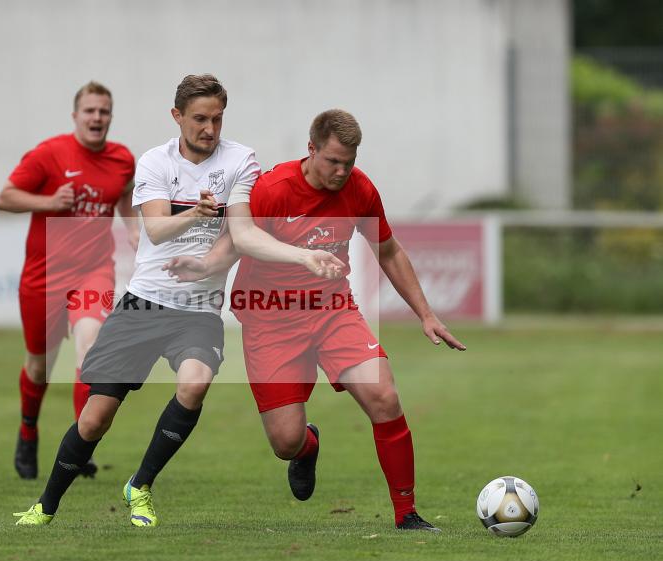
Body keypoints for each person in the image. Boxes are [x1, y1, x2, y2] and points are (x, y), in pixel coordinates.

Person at [13, 74, 341, 527]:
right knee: (94, 420)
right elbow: (155, 229)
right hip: (145, 303)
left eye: (218, 119)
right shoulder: (154, 162)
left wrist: (304, 256)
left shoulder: (240, 160)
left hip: (198, 310)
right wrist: (196, 213)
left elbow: (243, 234)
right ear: (178, 117)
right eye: (200, 119)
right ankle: (45, 507)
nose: (210, 128)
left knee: (195, 382)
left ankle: (140, 485)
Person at [166, 109, 466, 531]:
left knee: (384, 397)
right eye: (333, 161)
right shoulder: (271, 188)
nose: (342, 171)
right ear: (311, 150)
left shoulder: (360, 190)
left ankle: (407, 514)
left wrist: (427, 314)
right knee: (285, 442)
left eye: (350, 161)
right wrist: (201, 268)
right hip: (269, 320)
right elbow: (234, 240)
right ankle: (308, 447)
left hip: (331, 311)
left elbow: (390, 251)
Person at [0, 82, 137, 480]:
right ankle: (28, 430)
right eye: (90, 111)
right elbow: (5, 197)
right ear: (75, 116)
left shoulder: (122, 159)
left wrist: (132, 228)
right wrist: (47, 203)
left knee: (90, 350)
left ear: (110, 117)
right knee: (40, 368)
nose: (97, 118)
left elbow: (123, 193)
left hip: (94, 270)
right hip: (44, 277)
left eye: (104, 111)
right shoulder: (49, 154)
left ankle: (79, 445)